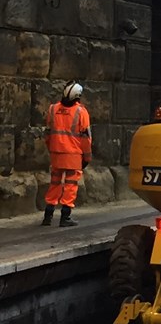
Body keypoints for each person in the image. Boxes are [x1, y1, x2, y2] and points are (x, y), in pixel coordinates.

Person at [42, 81, 92, 228]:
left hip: (56, 152)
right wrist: (87, 157)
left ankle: (48, 215)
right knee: (71, 184)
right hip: (73, 154)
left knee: (55, 182)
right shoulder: (81, 112)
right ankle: (65, 216)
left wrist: (51, 148)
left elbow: (47, 133)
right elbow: (86, 138)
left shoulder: (53, 109)